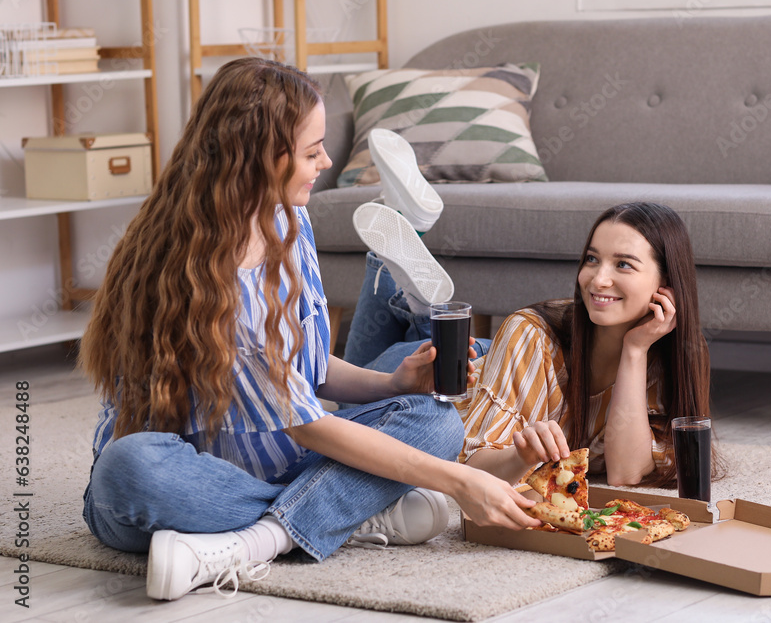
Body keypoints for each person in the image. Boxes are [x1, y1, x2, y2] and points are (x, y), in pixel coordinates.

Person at [78, 57, 538, 603]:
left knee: (434, 417)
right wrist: (458, 481)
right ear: (258, 157)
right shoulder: (205, 276)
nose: (326, 161)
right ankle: (342, 510)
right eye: (311, 150)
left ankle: (260, 539)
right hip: (193, 483)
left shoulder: (288, 220)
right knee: (128, 467)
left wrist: (392, 387)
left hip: (283, 458)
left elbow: (310, 372)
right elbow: (310, 426)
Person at [346, 184, 719, 490]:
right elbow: (474, 466)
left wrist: (634, 351)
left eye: (623, 263)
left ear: (666, 283)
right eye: (591, 259)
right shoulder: (530, 332)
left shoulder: (673, 350)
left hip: (495, 366)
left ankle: (416, 297)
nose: (596, 279)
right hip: (430, 386)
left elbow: (625, 475)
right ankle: (402, 274)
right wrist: (519, 458)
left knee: (450, 341)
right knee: (344, 406)